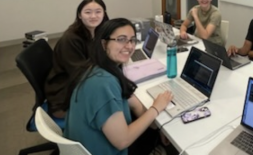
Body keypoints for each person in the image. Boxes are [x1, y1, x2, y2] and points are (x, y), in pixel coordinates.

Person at [64, 18, 173, 155]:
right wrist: (156, 108)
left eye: (132, 40)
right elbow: (123, 141)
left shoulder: (98, 68)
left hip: (90, 143)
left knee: (153, 133)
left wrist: (157, 128)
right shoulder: (102, 83)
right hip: (105, 150)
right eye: (121, 39)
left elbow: (133, 102)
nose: (129, 46)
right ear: (104, 44)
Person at [44, 0, 109, 118]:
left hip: (81, 86)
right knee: (117, 102)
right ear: (79, 15)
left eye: (98, 12)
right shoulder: (71, 39)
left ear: (104, 14)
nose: (93, 16)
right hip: (65, 97)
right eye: (88, 12)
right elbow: (81, 74)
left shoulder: (97, 31)